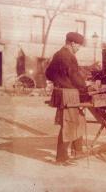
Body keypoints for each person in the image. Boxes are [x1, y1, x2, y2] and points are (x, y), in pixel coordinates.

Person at [45, 32, 88, 165]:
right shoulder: (68, 56)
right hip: (68, 94)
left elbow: (48, 73)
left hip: (63, 92)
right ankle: (61, 158)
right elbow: (74, 76)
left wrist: (59, 80)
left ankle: (77, 151)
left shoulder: (58, 54)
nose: (79, 48)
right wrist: (85, 87)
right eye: (79, 45)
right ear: (72, 43)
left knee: (79, 120)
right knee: (68, 125)